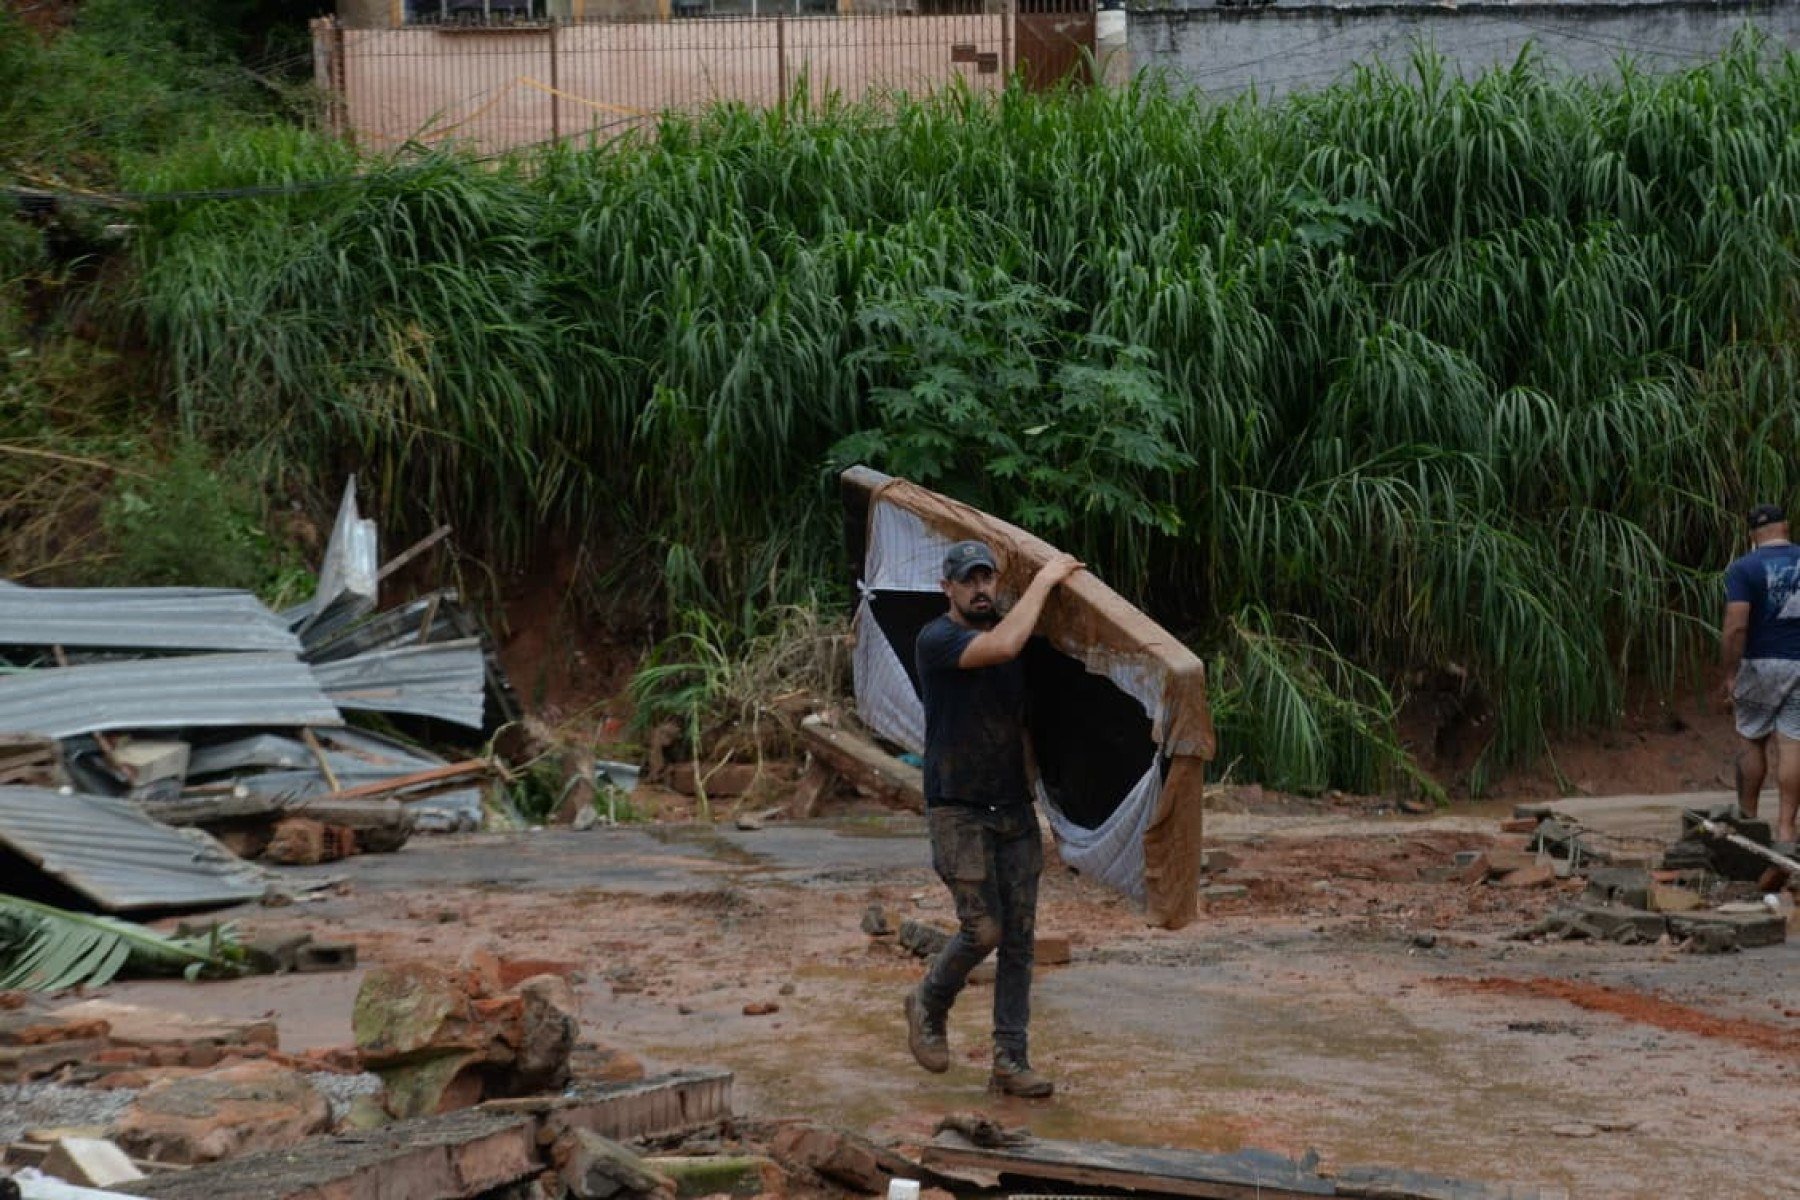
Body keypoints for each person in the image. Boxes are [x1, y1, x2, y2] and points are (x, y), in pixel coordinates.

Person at [903, 539, 1082, 1098]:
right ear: (947, 588)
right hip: (958, 810)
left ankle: (1010, 1058)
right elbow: (1002, 646)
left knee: (1021, 940)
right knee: (983, 929)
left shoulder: (1015, 643)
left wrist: (1049, 803)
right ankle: (929, 999)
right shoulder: (939, 640)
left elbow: (1027, 724)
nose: (982, 589)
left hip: (1012, 808)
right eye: (970, 580)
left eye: (988, 579)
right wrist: (1047, 580)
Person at [1719, 503, 1800, 852]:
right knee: (1793, 744)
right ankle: (1786, 829)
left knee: (1752, 739)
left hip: (1760, 665)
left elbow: (1737, 625)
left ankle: (1748, 821)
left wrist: (1730, 674)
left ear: (1753, 535)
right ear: (1786, 528)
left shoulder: (1744, 568)